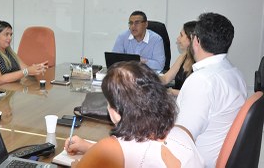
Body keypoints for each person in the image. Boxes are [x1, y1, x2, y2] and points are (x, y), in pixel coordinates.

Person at [64, 61, 204, 168]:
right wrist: (89, 147)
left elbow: (124, 151)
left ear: (116, 112)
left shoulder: (108, 148)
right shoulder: (183, 132)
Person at [176, 12, 247, 168]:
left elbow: (180, 139)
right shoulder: (236, 74)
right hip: (217, 155)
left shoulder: (201, 81)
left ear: (196, 40)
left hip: (196, 161)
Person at [0, 21, 47, 88]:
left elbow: (25, 68)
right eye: (6, 34)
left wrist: (37, 68)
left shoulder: (9, 52)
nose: (10, 38)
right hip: (0, 95)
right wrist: (27, 71)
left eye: (11, 35)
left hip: (13, 91)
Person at [160, 21, 196, 95]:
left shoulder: (199, 63)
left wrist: (172, 92)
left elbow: (195, 94)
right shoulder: (183, 56)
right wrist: (148, 79)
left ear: (191, 38)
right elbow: (166, 78)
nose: (178, 39)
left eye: (181, 35)